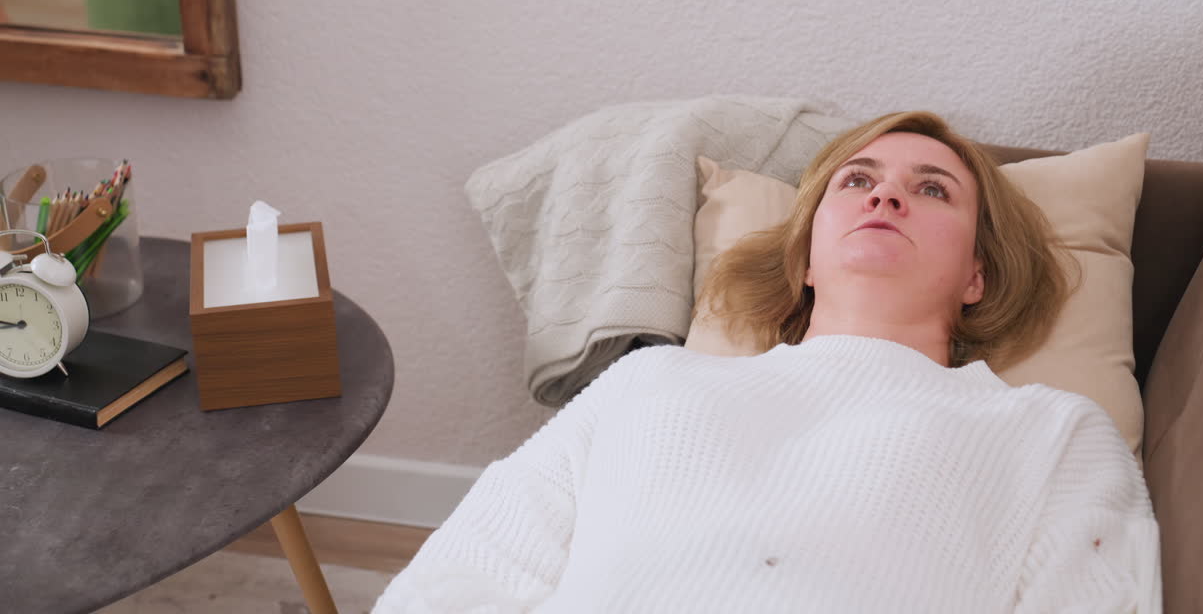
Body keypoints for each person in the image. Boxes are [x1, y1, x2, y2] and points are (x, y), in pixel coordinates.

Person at [374, 111, 1161, 613]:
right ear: (807, 256)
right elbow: (472, 567)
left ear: (976, 275)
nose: (886, 198)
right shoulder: (652, 379)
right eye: (858, 181)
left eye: (932, 191)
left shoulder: (1050, 430)